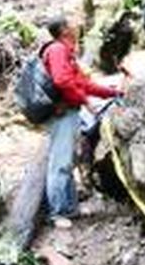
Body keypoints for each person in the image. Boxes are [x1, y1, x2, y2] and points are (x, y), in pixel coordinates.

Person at [43, 16, 122, 227]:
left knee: (67, 161)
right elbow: (62, 80)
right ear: (64, 30)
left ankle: (69, 208)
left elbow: (83, 83)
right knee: (59, 163)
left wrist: (112, 92)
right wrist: (86, 102)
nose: (76, 26)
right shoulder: (58, 50)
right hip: (61, 114)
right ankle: (57, 213)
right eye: (71, 24)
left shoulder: (67, 52)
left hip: (69, 112)